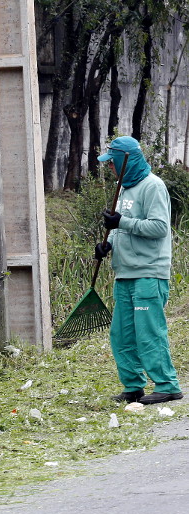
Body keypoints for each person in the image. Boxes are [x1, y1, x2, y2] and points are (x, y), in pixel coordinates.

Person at [95, 136, 182, 405]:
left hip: (148, 273)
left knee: (148, 332)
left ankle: (168, 385)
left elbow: (159, 228)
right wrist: (107, 244)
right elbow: (123, 227)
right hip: (125, 273)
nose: (110, 168)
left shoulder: (152, 186)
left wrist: (123, 222)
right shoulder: (124, 188)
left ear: (126, 161)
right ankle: (133, 386)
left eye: (113, 162)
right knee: (122, 335)